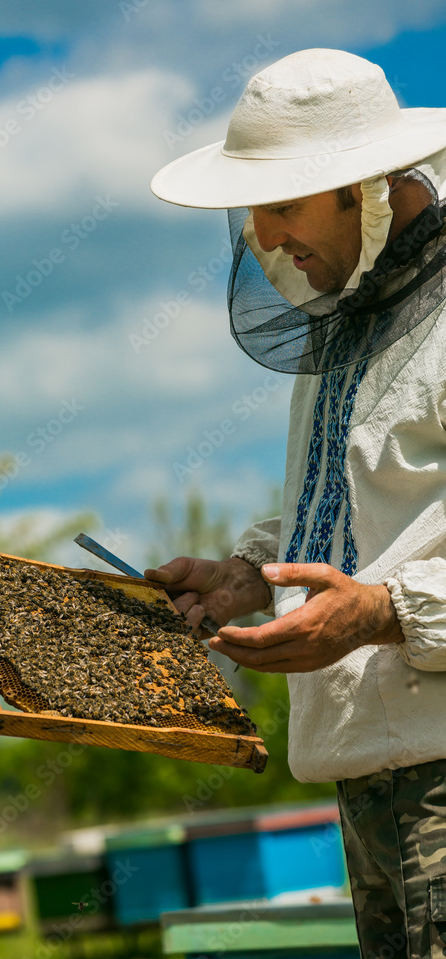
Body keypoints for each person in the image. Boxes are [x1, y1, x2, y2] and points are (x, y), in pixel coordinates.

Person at [145, 49, 446, 959]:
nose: (261, 238)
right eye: (253, 209)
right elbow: (366, 508)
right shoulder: (349, 321)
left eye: (282, 205)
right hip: (363, 776)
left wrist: (384, 612)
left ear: (365, 188)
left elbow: (383, 581)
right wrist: (248, 574)